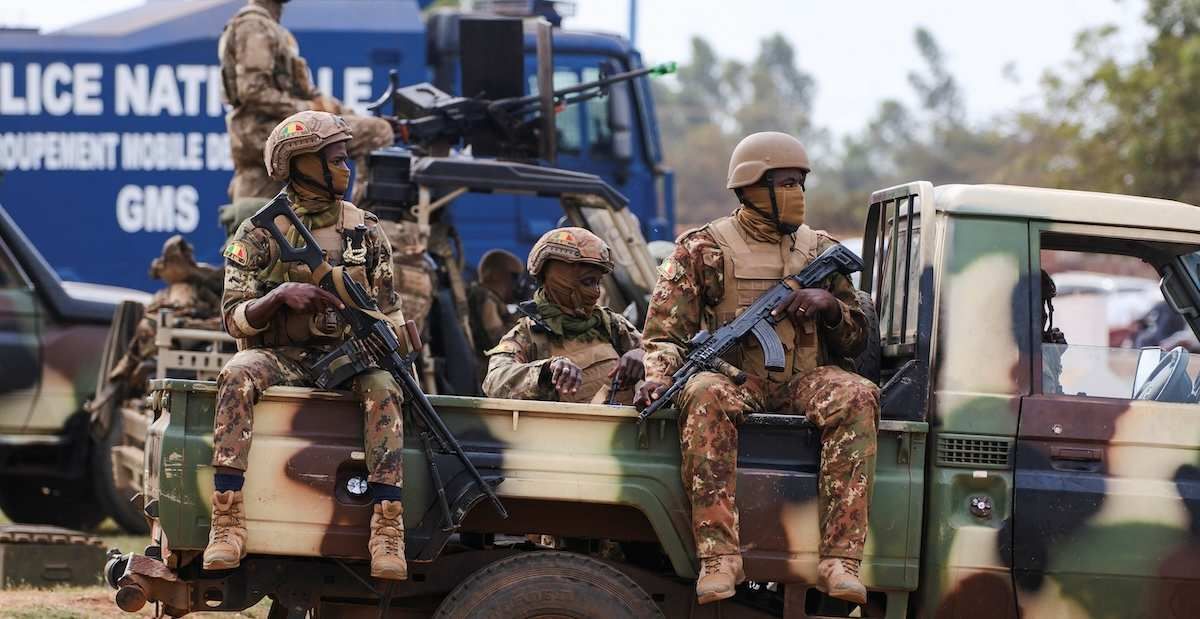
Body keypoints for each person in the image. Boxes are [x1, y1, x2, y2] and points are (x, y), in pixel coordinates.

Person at [635, 132, 879, 605]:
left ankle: (840, 559)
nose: (797, 194)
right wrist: (658, 379)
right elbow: (664, 334)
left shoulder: (820, 251)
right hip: (734, 382)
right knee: (703, 391)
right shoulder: (703, 248)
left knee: (858, 394)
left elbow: (855, 340)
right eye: (785, 183)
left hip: (805, 381)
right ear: (749, 187)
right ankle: (718, 556)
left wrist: (829, 306)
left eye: (801, 184)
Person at [205, 111, 409, 580]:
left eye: (346, 158)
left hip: (351, 357)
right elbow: (232, 315)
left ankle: (386, 529)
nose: (347, 168)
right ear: (302, 163)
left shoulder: (365, 230)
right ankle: (227, 519)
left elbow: (390, 309)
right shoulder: (258, 233)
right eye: (336, 159)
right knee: (237, 372)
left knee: (386, 387)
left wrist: (393, 345)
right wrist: (276, 298)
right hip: (283, 357)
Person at [218, 0, 394, 203]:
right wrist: (307, 109)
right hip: (265, 132)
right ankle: (360, 227)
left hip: (259, 135)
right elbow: (253, 91)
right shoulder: (253, 26)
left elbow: (310, 93)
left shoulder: (269, 28)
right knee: (377, 133)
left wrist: (347, 114)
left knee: (255, 215)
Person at [483, 228, 644, 405]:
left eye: (598, 282)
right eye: (587, 282)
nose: (596, 292)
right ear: (559, 279)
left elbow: (664, 354)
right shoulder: (526, 334)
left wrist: (642, 355)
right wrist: (545, 370)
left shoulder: (611, 324)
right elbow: (494, 383)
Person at [468, 249, 525, 368]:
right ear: (496, 275)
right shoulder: (487, 298)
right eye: (514, 276)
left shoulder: (487, 297)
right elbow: (497, 340)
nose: (517, 283)